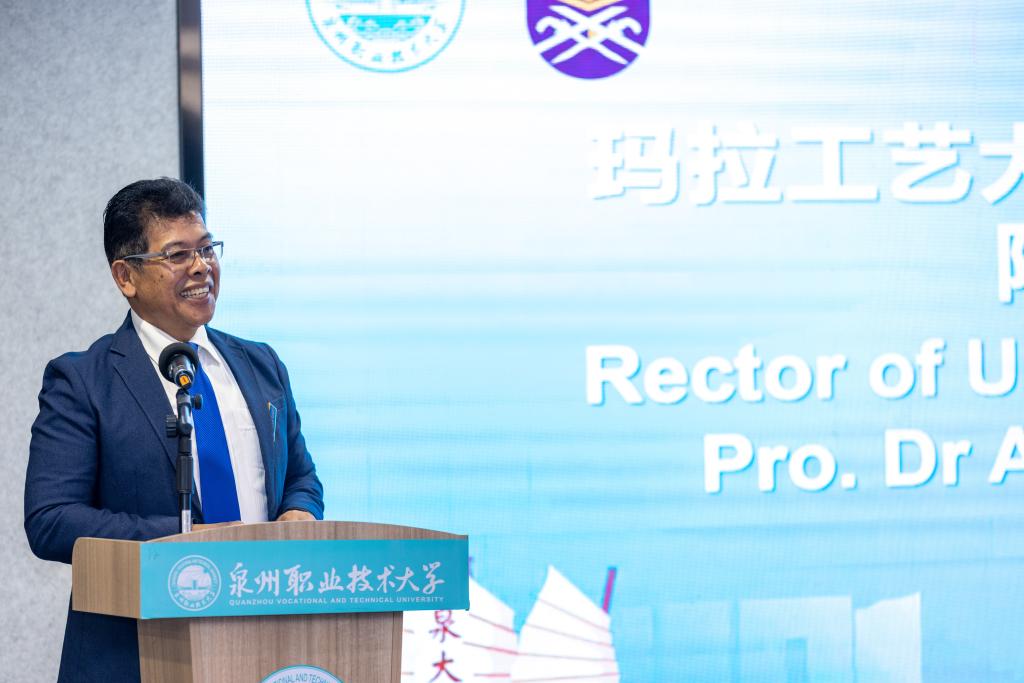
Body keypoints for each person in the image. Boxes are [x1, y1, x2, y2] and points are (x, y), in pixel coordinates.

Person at [23, 178, 324, 682]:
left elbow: (300, 476)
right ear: (126, 276)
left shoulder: (261, 365)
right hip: (137, 653)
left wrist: (299, 513)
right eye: (178, 255)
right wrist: (185, 539)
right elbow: (51, 520)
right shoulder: (83, 381)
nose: (202, 267)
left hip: (266, 644)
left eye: (207, 249)